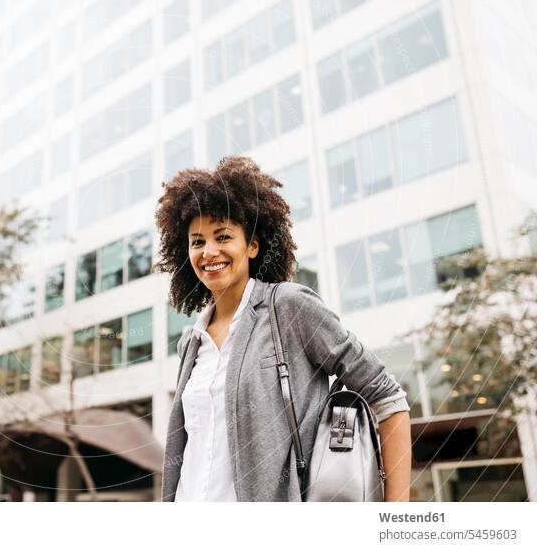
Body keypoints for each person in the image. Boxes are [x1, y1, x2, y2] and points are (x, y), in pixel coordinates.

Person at [154, 156, 412, 502]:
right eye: (197, 241)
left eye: (223, 236)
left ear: (253, 245)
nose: (209, 251)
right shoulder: (191, 342)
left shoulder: (287, 308)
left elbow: (387, 397)